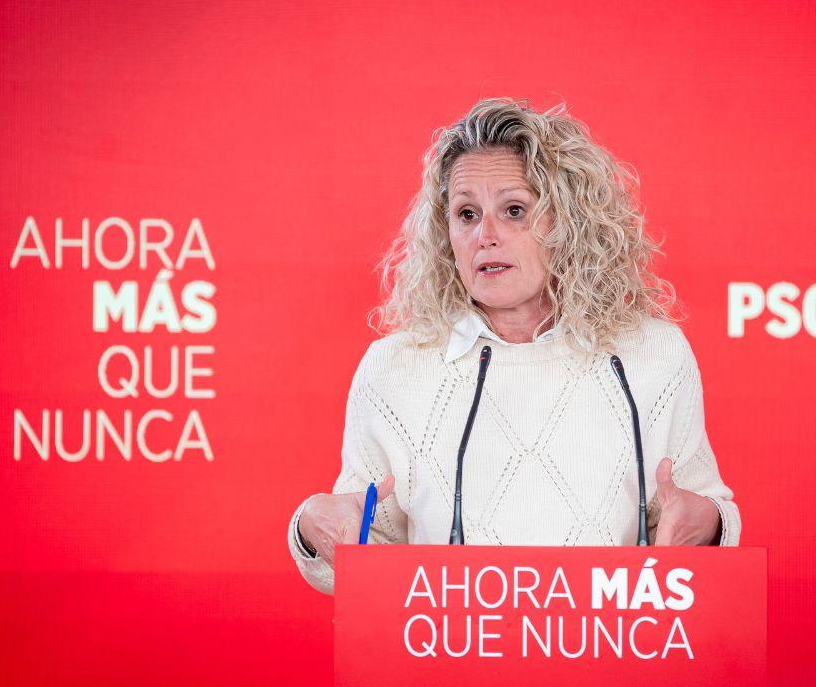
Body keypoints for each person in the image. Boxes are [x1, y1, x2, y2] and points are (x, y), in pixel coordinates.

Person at [288, 97, 741, 595]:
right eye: (466, 214)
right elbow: (361, 557)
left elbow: (703, 515)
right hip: (448, 664)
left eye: (514, 210)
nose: (486, 236)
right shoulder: (395, 367)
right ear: (446, 233)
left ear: (568, 224)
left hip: (612, 659)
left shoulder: (650, 354)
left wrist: (711, 523)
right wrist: (312, 530)